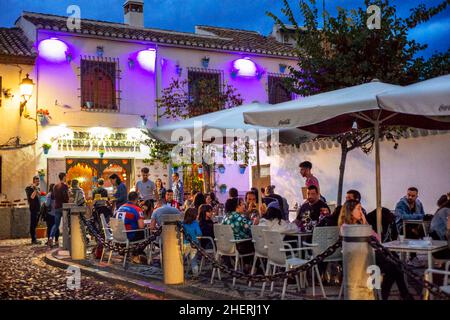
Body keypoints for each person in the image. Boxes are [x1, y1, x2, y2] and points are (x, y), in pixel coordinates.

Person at [338, 200, 413, 300]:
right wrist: (365, 226)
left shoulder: (361, 225)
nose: (361, 211)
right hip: (361, 262)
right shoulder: (345, 227)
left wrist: (365, 223)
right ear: (350, 211)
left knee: (396, 266)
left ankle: (397, 295)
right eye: (358, 208)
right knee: (394, 268)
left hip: (370, 256)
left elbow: (377, 239)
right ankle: (397, 295)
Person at [222, 197, 254, 269]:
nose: (244, 206)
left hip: (226, 246)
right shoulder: (240, 218)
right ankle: (253, 267)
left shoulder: (225, 217)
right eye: (242, 204)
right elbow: (252, 228)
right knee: (257, 244)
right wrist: (255, 222)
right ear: (237, 206)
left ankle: (245, 265)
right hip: (239, 247)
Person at [182, 208, 202, 276]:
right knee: (194, 260)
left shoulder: (183, 224)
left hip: (185, 244)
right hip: (194, 244)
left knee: (182, 259)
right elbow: (199, 233)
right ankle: (195, 274)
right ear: (194, 216)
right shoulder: (195, 223)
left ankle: (179, 272)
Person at [51, 172, 69, 246]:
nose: (66, 178)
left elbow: (53, 196)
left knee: (56, 224)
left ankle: (50, 238)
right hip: (63, 207)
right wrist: (68, 197)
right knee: (66, 224)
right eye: (66, 177)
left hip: (57, 207)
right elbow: (65, 197)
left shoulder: (55, 186)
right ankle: (66, 241)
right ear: (64, 177)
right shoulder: (64, 186)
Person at [25, 176, 41, 244]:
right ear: (33, 181)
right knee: (33, 224)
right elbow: (32, 197)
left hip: (37, 209)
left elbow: (39, 195)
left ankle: (35, 238)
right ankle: (33, 239)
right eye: (37, 181)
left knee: (35, 224)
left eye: (38, 181)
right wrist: (35, 189)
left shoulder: (37, 188)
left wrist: (37, 190)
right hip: (33, 208)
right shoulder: (29, 188)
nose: (38, 182)